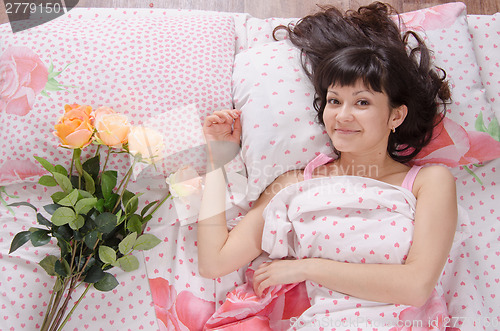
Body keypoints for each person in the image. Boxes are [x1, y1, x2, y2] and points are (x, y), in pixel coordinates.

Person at [198, 2, 457, 329]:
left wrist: (306, 268)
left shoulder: (428, 182)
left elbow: (416, 286)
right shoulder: (294, 184)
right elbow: (215, 262)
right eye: (334, 101)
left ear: (396, 115)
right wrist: (217, 158)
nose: (342, 115)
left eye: (362, 102)